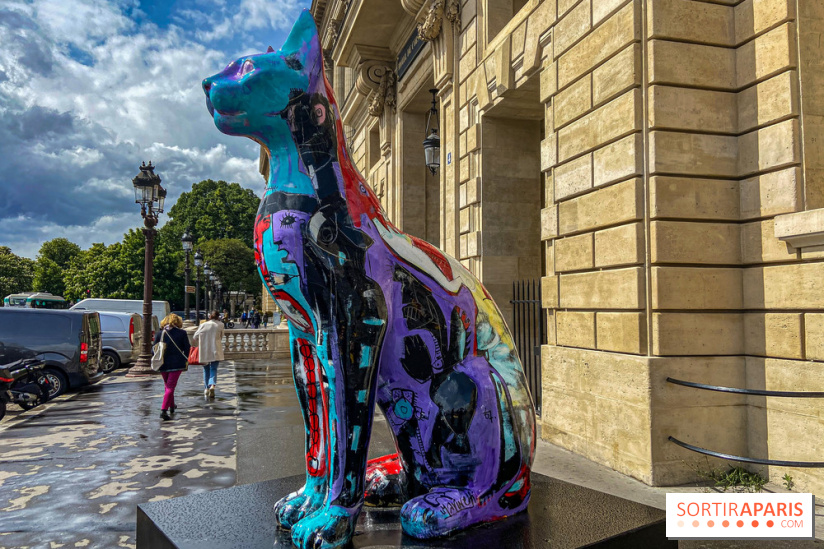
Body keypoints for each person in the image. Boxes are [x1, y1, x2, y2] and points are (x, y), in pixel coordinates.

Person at [154, 313, 191, 421]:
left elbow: (154, 348)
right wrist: (185, 358)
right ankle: (163, 410)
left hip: (162, 363)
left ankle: (171, 405)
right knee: (170, 387)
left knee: (167, 386)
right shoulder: (182, 333)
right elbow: (187, 348)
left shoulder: (160, 333)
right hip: (177, 363)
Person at [193, 310, 225, 398]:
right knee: (213, 368)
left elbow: (195, 336)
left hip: (205, 350)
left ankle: (206, 388)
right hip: (216, 349)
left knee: (206, 369)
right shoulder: (220, 325)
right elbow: (221, 336)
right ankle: (212, 385)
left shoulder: (203, 325)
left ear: (210, 316)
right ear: (218, 317)